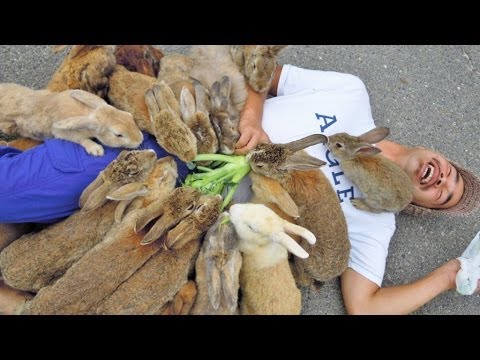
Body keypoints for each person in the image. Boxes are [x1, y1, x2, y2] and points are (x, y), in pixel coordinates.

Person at [1, 63, 479, 315]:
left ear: (420, 204)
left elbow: (365, 307)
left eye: (445, 195)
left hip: (188, 206)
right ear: (434, 153)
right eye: (453, 173)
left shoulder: (375, 219)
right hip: (186, 132)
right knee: (51, 178)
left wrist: (450, 273)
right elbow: (259, 74)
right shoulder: (352, 94)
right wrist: (252, 118)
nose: (443, 180)